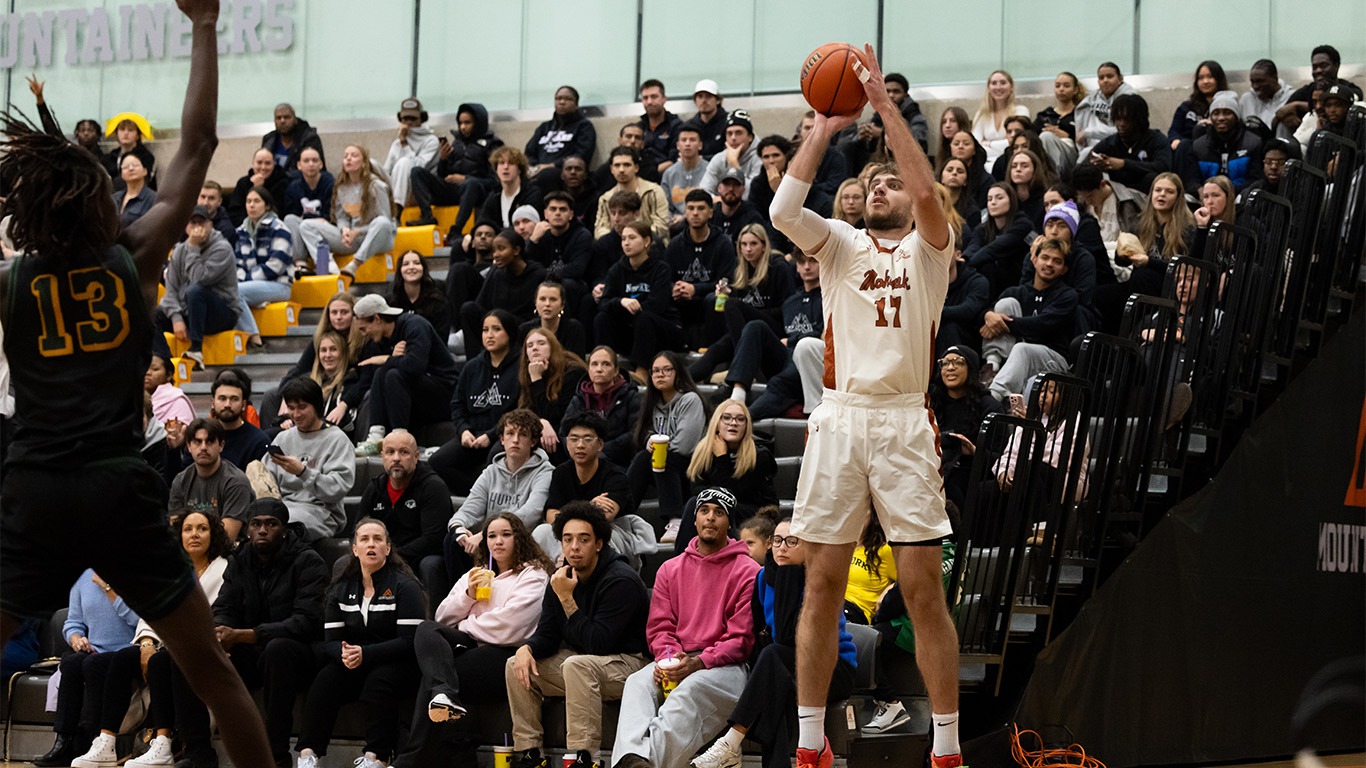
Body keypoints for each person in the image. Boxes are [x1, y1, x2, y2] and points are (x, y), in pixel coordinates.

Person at [0, 3, 274, 764]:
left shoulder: (12, 281)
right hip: (118, 486)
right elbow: (198, 144)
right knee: (214, 676)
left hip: (36, 486)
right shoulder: (137, 255)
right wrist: (205, 25)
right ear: (93, 200)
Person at [766, 45, 965, 768]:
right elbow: (783, 208)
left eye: (890, 181)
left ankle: (946, 749)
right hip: (842, 418)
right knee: (820, 579)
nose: (882, 186)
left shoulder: (929, 252)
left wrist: (884, 108)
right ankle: (811, 745)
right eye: (872, 180)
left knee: (922, 586)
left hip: (905, 421)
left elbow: (928, 195)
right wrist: (824, 123)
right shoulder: (841, 245)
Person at [689, 515, 857, 768]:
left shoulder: (821, 580)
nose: (781, 547)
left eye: (792, 541)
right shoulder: (762, 578)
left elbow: (791, 637)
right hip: (788, 665)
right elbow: (760, 631)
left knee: (774, 657)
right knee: (774, 688)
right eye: (777, 540)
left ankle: (730, 742)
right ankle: (742, 751)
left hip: (832, 667)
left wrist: (789, 573)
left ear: (809, 546)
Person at [612, 486, 762, 768]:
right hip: (679, 658)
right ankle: (635, 761)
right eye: (704, 511)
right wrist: (669, 659)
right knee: (636, 683)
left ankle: (637, 763)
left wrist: (697, 663)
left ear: (729, 523)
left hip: (727, 669)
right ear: (694, 519)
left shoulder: (749, 571)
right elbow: (660, 628)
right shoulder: (670, 569)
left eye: (719, 513)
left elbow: (741, 640)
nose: (710, 518)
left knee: (688, 691)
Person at [505, 502, 650, 768]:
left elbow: (599, 642)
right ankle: (530, 754)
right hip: (584, 665)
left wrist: (567, 599)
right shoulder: (561, 578)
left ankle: (584, 758)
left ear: (598, 544)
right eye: (567, 539)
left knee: (576, 665)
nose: (574, 547)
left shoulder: (621, 580)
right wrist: (528, 648)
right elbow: (547, 635)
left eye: (583, 539)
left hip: (630, 665)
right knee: (516, 662)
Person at [399, 514, 551, 766]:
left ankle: (411, 757)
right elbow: (441, 617)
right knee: (426, 629)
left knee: (433, 675)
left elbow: (511, 627)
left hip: (506, 656)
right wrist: (469, 596)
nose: (498, 541)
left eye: (506, 534)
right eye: (491, 536)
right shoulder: (476, 574)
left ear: (520, 538)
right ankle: (444, 694)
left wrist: (465, 625)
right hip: (474, 647)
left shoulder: (533, 574)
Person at [88, 511, 233, 768]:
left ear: (214, 534)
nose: (194, 535)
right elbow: (150, 613)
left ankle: (163, 741)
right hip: (162, 641)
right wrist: (145, 642)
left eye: (202, 529)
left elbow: (218, 617)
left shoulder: (225, 570)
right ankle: (106, 742)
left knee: (162, 661)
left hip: (199, 647)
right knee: (122, 658)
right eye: (188, 529)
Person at [294, 519, 425, 768]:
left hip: (399, 661)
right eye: (364, 539)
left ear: (388, 548)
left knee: (379, 682)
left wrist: (365, 653)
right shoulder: (341, 588)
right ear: (355, 549)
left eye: (378, 539)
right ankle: (308, 754)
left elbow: (410, 642)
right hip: (358, 658)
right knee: (326, 679)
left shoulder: (405, 586)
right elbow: (330, 642)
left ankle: (376, 757)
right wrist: (344, 654)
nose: (371, 544)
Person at [212, 498, 329, 768]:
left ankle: (277, 756)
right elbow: (224, 606)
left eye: (271, 524)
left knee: (279, 649)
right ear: (247, 531)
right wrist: (220, 632)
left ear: (285, 530)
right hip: (256, 652)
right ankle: (197, 751)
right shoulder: (239, 560)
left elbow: (306, 622)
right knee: (207, 653)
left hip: (300, 655)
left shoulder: (308, 561)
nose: (263, 530)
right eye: (256, 524)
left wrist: (247, 634)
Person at [33, 570, 140, 768]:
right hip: (95, 648)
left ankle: (95, 739)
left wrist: (107, 588)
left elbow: (139, 620)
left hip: (129, 649)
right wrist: (75, 638)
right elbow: (73, 621)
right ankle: (63, 740)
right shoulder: (82, 577)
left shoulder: (134, 570)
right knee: (71, 663)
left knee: (92, 665)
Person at [533, 412, 654, 569]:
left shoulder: (615, 476)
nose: (580, 445)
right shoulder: (561, 473)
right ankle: (545, 585)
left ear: (600, 445)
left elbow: (602, 519)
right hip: (570, 535)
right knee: (542, 531)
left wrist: (566, 513)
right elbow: (551, 515)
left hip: (613, 535)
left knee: (600, 536)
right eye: (574, 439)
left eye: (588, 439)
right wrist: (590, 506)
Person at [445, 409, 554, 578]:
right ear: (502, 439)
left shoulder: (545, 472)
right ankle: (465, 595)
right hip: (490, 542)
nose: (515, 440)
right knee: (453, 540)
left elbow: (532, 512)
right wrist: (458, 528)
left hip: (522, 542)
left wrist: (486, 533)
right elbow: (469, 508)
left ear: (533, 441)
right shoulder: (491, 471)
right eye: (510, 433)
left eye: (523, 434)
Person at [690, 224, 797, 390]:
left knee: (733, 306)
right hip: (747, 331)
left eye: (753, 244)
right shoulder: (740, 269)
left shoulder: (778, 267)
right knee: (716, 350)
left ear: (764, 245)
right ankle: (680, 382)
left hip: (773, 328)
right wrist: (727, 294)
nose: (748, 249)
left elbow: (788, 308)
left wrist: (746, 310)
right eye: (743, 244)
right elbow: (738, 311)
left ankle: (744, 365)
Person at [427, 309, 521, 495]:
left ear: (509, 333)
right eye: (485, 330)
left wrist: (492, 435)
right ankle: (476, 494)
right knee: (436, 463)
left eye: (496, 329)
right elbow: (457, 404)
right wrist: (463, 431)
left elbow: (520, 409)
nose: (489, 335)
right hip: (471, 434)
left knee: (496, 459)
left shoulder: (520, 367)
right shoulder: (472, 367)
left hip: (503, 435)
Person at [351, 293, 459, 450]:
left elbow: (416, 365)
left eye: (363, 328)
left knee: (393, 374)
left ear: (376, 319)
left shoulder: (415, 325)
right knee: (383, 373)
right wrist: (392, 359)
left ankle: (399, 439)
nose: (363, 333)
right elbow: (381, 381)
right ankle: (375, 436)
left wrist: (387, 359)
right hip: (415, 398)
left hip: (444, 395)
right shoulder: (379, 340)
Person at [673, 401, 778, 551]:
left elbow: (734, 495)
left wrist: (722, 458)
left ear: (746, 426)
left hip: (753, 512)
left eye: (740, 419)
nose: (733, 423)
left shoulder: (759, 455)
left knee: (719, 506)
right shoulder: (704, 451)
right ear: (717, 422)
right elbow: (697, 490)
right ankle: (682, 561)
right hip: (721, 508)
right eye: (726, 418)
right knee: (695, 504)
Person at [981, 238, 1078, 400]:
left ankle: (993, 397)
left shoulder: (1067, 295)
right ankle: (992, 366)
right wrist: (988, 315)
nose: (1049, 264)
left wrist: (1002, 322)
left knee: (1022, 348)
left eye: (1057, 261)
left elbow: (1042, 325)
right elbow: (986, 313)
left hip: (1054, 358)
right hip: (1019, 349)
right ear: (1034, 260)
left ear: (1064, 269)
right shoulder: (1016, 292)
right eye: (1045, 258)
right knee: (1005, 304)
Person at [360, 430, 453, 600]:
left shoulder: (433, 487)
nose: (396, 458)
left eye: (403, 452)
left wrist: (391, 556)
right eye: (390, 452)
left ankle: (431, 622)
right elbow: (358, 530)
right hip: (383, 554)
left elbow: (433, 538)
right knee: (344, 563)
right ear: (382, 457)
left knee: (431, 565)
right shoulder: (375, 488)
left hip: (419, 555)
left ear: (416, 457)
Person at [267, 378, 357, 541]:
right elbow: (267, 478)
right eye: (292, 408)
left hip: (322, 511)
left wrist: (302, 472)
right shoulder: (282, 438)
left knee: (284, 528)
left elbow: (336, 489)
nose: (296, 414)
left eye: (302, 407)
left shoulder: (337, 439)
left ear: (316, 406)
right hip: (283, 507)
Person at [626, 351, 707, 529]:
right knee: (643, 457)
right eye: (655, 371)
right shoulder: (652, 403)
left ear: (678, 372)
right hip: (667, 472)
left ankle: (676, 519)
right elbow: (646, 433)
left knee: (662, 457)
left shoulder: (690, 400)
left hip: (693, 472)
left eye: (666, 369)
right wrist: (649, 440)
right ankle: (622, 511)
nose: (660, 374)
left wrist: (657, 445)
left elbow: (684, 447)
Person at [595, 221, 684, 383]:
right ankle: (606, 365)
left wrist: (633, 307)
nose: (626, 243)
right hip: (632, 330)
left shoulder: (660, 268)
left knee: (644, 318)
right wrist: (621, 301)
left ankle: (642, 372)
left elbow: (658, 306)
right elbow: (604, 302)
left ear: (646, 241)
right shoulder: (616, 270)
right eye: (623, 239)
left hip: (663, 329)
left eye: (632, 238)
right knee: (602, 318)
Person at [152, 205, 239, 365]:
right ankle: (163, 361)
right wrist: (176, 318)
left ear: (210, 225)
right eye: (193, 223)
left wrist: (193, 247)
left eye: (202, 223)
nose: (197, 228)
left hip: (221, 312)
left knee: (195, 291)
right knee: (152, 315)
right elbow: (171, 290)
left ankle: (196, 350)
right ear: (186, 226)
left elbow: (198, 279)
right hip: (188, 311)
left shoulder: (222, 248)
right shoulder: (179, 250)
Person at [747, 248, 826, 420]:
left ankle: (747, 416)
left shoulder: (829, 297)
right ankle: (738, 392)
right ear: (796, 267)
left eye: (812, 261)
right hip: (786, 361)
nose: (806, 267)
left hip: (812, 361)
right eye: (801, 262)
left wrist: (791, 341)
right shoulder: (789, 303)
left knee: (800, 354)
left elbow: (824, 335)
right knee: (755, 326)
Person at [298, 144, 397, 281]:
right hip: (353, 238)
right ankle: (328, 269)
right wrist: (344, 230)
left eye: (354, 156)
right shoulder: (342, 187)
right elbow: (341, 216)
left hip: (378, 238)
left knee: (382, 222)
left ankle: (355, 265)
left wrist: (358, 231)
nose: (348, 159)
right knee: (306, 225)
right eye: (346, 156)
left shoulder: (376, 186)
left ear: (363, 163)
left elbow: (386, 222)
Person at [407, 103, 502, 236]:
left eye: (467, 123)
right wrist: (443, 160)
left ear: (478, 122)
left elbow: (495, 182)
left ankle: (457, 229)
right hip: (454, 190)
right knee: (417, 171)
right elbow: (443, 175)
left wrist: (466, 179)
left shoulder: (493, 144)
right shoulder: (457, 143)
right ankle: (426, 216)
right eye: (460, 123)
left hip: (476, 191)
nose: (463, 127)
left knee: (471, 184)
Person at [456, 229, 547, 361]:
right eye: (494, 250)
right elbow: (480, 304)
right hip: (499, 322)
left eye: (501, 249)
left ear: (516, 250)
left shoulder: (538, 274)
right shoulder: (497, 272)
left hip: (524, 326)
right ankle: (475, 361)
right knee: (468, 309)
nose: (496, 255)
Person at [668, 188, 737, 344]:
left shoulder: (723, 243)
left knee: (717, 299)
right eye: (691, 208)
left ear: (710, 213)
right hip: (681, 300)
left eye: (701, 208)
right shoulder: (675, 244)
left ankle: (712, 347)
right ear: (685, 213)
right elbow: (665, 277)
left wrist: (695, 289)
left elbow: (726, 281)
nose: (695, 213)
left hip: (709, 298)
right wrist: (674, 288)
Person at [169, 417, 255, 541]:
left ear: (221, 446)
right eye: (197, 442)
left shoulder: (236, 482)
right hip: (191, 550)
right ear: (188, 446)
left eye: (209, 441)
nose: (203, 447)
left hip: (230, 554)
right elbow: (176, 531)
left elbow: (226, 538)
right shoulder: (181, 480)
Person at [233, 186, 294, 353]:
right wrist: (246, 280)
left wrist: (248, 280)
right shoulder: (240, 231)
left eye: (256, 201)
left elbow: (277, 265)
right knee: (227, 291)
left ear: (267, 205)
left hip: (279, 285)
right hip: (252, 285)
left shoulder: (280, 228)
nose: (251, 205)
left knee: (234, 292)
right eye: (248, 201)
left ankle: (256, 341)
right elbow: (237, 264)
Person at [560, 346, 643, 467]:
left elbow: (635, 432)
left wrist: (600, 451)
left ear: (616, 371)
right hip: (583, 459)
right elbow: (564, 433)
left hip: (620, 460)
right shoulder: (579, 398)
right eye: (594, 364)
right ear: (588, 370)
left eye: (606, 364)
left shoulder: (630, 396)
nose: (599, 369)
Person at [518, 326, 588, 460]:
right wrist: (540, 421)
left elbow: (557, 416)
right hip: (541, 429)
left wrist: (537, 380)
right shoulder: (528, 373)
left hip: (566, 433)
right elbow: (524, 409)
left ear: (553, 348)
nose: (535, 348)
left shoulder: (573, 372)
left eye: (541, 343)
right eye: (530, 345)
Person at [1090, 94, 1173, 194]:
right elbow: (1084, 167)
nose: (1121, 124)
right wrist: (1097, 164)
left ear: (1139, 120)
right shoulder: (1109, 143)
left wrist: (1123, 164)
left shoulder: (1157, 139)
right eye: (1118, 119)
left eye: (1126, 119)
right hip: (1118, 194)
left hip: (1148, 194)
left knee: (1153, 178)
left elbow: (1163, 167)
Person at [1274, 44, 1363, 135]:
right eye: (1314, 67)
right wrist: (1288, 115)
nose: (1318, 70)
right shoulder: (1307, 90)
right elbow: (1280, 113)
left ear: (1336, 66)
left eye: (1323, 65)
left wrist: (1298, 105)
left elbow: (1351, 104)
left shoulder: (1350, 89)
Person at [1183, 91, 1261, 193]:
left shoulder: (1253, 143)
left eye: (1227, 113)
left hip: (1240, 197)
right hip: (1206, 198)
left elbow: (1256, 180)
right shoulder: (1198, 145)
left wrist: (1226, 193)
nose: (1221, 118)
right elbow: (1191, 180)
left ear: (1236, 117)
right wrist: (1200, 191)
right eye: (1216, 113)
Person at [527, 193, 595, 310]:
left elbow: (577, 269)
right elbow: (529, 265)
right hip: (544, 282)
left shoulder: (582, 235)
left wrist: (544, 275)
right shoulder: (540, 234)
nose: (557, 213)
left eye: (562, 209)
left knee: (566, 285)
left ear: (571, 215)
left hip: (574, 286)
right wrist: (533, 240)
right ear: (545, 214)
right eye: (553, 209)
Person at [964, 182, 1032, 299]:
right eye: (989, 199)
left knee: (986, 265)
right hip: (992, 280)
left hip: (1016, 281)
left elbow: (994, 249)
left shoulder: (1023, 224)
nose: (993, 202)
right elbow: (974, 246)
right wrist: (963, 259)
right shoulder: (983, 228)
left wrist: (966, 265)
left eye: (999, 198)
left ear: (1011, 200)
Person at [595, 147, 671, 244]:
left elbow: (661, 225)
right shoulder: (606, 198)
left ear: (636, 168)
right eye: (617, 165)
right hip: (617, 247)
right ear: (611, 169)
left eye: (627, 165)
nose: (621, 170)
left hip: (650, 245)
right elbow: (600, 229)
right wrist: (621, 240)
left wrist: (634, 239)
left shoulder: (654, 191)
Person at [526, 86, 599, 188]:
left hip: (562, 171)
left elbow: (582, 154)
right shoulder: (544, 127)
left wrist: (551, 165)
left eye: (567, 99)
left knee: (546, 175)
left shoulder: (583, 126)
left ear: (576, 105)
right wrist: (532, 166)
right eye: (558, 98)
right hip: (538, 170)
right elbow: (529, 152)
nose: (562, 102)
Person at [384, 97, 441, 211]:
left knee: (404, 162)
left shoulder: (431, 140)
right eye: (405, 119)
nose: (409, 122)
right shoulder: (396, 143)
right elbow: (386, 172)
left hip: (420, 192)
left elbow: (418, 167)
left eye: (413, 118)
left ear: (422, 119)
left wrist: (405, 144)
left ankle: (397, 210)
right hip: (397, 190)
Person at [1074, 61, 1137, 161]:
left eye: (1110, 76)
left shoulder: (1130, 99)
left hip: (1121, 147)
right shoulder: (1092, 99)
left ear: (1120, 78)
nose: (1105, 80)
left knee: (1088, 155)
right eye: (1101, 78)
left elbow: (1123, 131)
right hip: (1090, 145)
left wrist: (1087, 133)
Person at [971, 70, 1031, 167]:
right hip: (985, 164)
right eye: (994, 83)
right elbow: (975, 146)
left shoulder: (1021, 111)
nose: (998, 87)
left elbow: (1016, 143)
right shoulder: (981, 115)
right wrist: (1001, 145)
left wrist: (989, 144)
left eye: (1003, 83)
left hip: (1013, 162)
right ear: (988, 88)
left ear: (1011, 87)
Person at [388, 249, 451, 338]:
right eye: (406, 264)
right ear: (400, 270)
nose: (411, 267)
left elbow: (441, 338)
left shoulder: (438, 302)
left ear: (423, 269)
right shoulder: (391, 303)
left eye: (417, 263)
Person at [281, 147, 335, 251]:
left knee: (306, 225)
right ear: (299, 165)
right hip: (303, 229)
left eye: (315, 160)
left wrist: (306, 217)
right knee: (289, 219)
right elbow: (294, 217)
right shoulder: (293, 187)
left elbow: (330, 218)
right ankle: (300, 261)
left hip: (326, 229)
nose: (311, 164)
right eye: (306, 161)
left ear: (321, 164)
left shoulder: (330, 184)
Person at [1168, 61, 1229, 150]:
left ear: (1218, 79)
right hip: (1188, 149)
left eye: (1210, 77)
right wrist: (1175, 140)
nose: (1205, 81)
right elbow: (1174, 131)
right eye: (1200, 78)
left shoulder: (1228, 107)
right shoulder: (1186, 107)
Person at [1032, 72, 1084, 173]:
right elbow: (1031, 135)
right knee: (1045, 137)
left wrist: (1067, 136)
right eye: (1057, 86)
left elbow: (1088, 138)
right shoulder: (1045, 115)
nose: (1061, 89)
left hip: (1073, 158)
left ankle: (1054, 177)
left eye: (1066, 86)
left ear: (1075, 90)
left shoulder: (1081, 114)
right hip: (1045, 156)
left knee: (1047, 136)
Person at [520, 281, 589, 358]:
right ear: (536, 303)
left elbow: (577, 364)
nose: (547, 304)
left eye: (553, 299)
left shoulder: (574, 329)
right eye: (542, 299)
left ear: (562, 305)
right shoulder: (525, 330)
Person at [701, 110, 762, 196]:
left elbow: (754, 195)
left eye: (738, 133)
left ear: (750, 137)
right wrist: (720, 201)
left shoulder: (761, 157)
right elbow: (704, 191)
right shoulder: (719, 159)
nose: (733, 138)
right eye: (729, 133)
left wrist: (734, 166)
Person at [227, 149, 290, 227]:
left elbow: (280, 211)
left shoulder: (282, 183)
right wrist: (252, 188)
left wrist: (260, 190)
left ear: (274, 164)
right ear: (253, 163)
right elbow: (235, 213)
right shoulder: (243, 183)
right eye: (259, 163)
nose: (263, 167)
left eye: (267, 163)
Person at [661, 125, 709, 227]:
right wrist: (670, 219)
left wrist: (685, 217)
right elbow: (665, 206)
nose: (687, 144)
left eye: (692, 140)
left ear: (700, 145)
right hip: (675, 225)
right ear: (678, 145)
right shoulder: (669, 173)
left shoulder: (710, 170)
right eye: (684, 140)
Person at [100, 112, 156, 192]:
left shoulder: (145, 157)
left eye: (130, 130)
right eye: (122, 130)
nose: (126, 133)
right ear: (117, 133)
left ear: (137, 135)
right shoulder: (109, 158)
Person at [262, 103, 324, 174]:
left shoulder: (310, 139)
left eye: (287, 117)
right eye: (278, 118)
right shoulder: (269, 139)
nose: (282, 121)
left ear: (295, 120)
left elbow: (317, 170)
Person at [1239, 59, 1293, 135]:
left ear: (1275, 78)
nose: (1255, 86)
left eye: (1260, 81)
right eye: (1252, 82)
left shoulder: (1290, 97)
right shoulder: (1246, 100)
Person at [712, 169, 767, 240]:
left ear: (743, 189)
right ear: (719, 188)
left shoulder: (752, 217)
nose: (731, 189)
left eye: (736, 185)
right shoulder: (711, 214)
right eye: (727, 184)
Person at [685, 79, 730, 159]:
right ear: (695, 101)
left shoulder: (729, 122)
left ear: (718, 100)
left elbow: (729, 154)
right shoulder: (689, 126)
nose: (704, 101)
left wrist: (701, 159)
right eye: (700, 97)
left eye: (708, 96)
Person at [114, 153, 157, 229]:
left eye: (135, 165)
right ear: (122, 175)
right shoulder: (114, 198)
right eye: (126, 167)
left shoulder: (153, 198)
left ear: (145, 171)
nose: (131, 168)